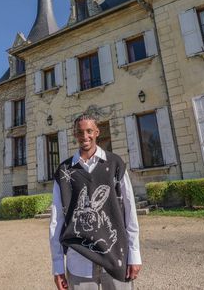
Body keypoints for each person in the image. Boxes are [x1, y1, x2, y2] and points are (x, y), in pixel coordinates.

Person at [49, 113, 142, 290]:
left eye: (89, 131)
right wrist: (58, 266)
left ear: (97, 132)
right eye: (80, 132)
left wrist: (135, 255)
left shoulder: (115, 164)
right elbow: (56, 221)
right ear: (75, 134)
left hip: (115, 257)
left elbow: (129, 212)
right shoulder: (64, 172)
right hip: (79, 262)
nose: (85, 136)